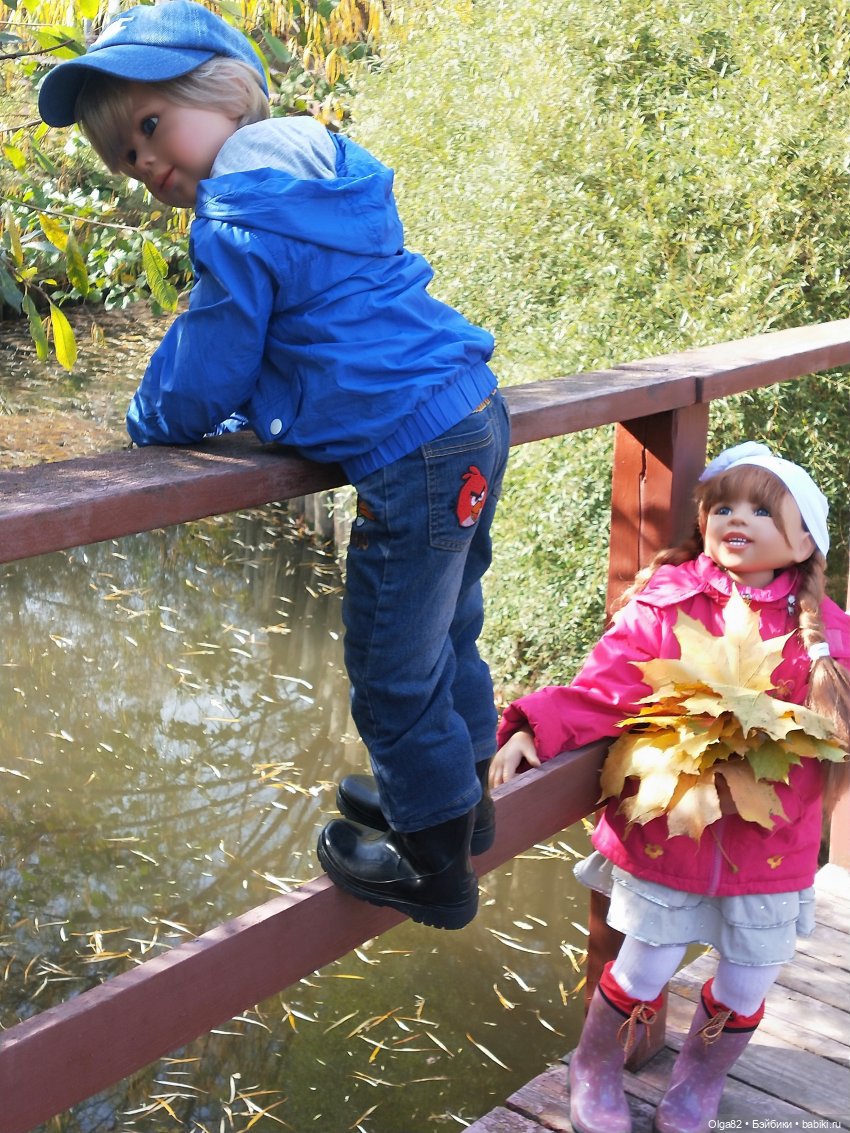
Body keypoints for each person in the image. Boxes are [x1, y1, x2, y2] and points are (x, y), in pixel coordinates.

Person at [38, 0, 510, 932]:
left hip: (408, 448)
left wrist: (150, 417)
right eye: (125, 158)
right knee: (449, 628)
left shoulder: (242, 218)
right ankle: (459, 801)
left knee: (389, 663)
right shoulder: (326, 171)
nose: (145, 165)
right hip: (468, 411)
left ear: (223, 89)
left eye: (149, 125)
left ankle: (435, 868)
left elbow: (214, 352)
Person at [491, 442, 850, 1133]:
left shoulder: (827, 636)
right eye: (722, 506)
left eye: (760, 508)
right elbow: (605, 687)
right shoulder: (670, 603)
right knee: (645, 963)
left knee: (749, 979)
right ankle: (593, 1065)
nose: (735, 518)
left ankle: (698, 1079)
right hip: (671, 836)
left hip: (773, 846)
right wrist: (532, 725)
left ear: (805, 540)